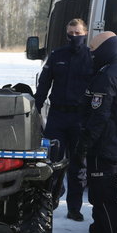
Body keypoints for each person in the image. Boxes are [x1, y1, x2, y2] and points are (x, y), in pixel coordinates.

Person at [74, 31, 117, 233]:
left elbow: (99, 116)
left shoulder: (107, 76)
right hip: (115, 144)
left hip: (104, 147)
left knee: (105, 200)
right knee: (100, 199)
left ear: (104, 50)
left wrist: (84, 144)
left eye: (93, 50)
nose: (91, 54)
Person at [34, 18, 93, 221]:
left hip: (80, 119)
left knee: (78, 165)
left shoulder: (92, 58)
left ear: (85, 33)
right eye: (71, 33)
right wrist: (36, 106)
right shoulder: (57, 56)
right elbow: (44, 84)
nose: (74, 37)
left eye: (78, 33)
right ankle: (47, 203)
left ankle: (74, 208)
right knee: (51, 163)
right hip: (58, 117)